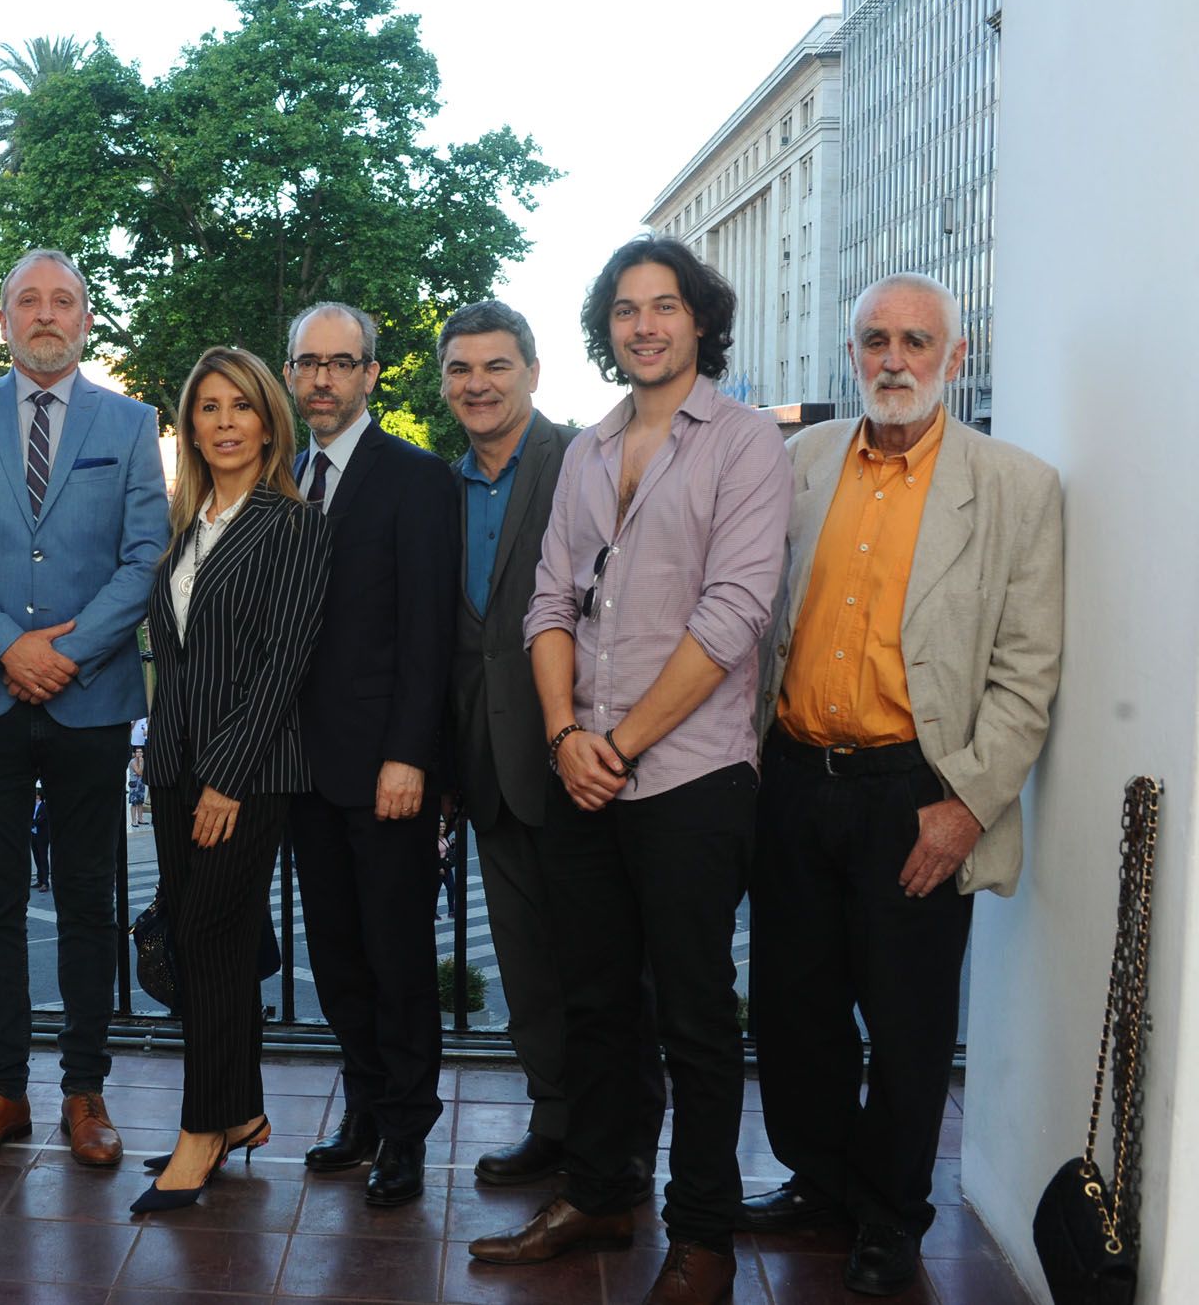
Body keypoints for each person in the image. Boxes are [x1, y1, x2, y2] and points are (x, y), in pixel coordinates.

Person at [472, 236, 789, 1305]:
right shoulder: (586, 450)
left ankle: (700, 1232)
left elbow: (733, 613)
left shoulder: (744, 442)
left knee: (694, 1016)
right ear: (603, 331)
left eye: (662, 306)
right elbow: (546, 603)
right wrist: (565, 735)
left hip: (689, 779)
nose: (643, 324)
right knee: (593, 1003)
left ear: (699, 319)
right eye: (622, 309)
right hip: (582, 772)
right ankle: (600, 1190)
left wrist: (620, 742)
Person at [739, 273, 1063, 1296]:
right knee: (790, 1008)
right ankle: (820, 1178)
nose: (892, 359)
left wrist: (966, 802)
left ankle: (888, 1210)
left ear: (952, 359)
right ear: (849, 352)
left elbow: (1026, 668)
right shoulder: (794, 465)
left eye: (914, 341)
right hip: (791, 778)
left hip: (913, 794)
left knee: (909, 1017)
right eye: (874, 339)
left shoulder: (1016, 487)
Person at [0, 248, 170, 1166]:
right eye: (30, 301)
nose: (47, 314)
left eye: (64, 300)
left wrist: (65, 652)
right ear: (6, 319)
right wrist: (7, 647)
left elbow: (147, 557)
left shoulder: (132, 424)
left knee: (94, 898)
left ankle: (85, 1091)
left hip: (91, 698)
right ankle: (3, 1091)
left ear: (87, 319)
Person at [436, 299, 670, 1193]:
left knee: (609, 970)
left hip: (581, 758)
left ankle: (626, 1141)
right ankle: (556, 1119)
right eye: (461, 368)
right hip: (488, 768)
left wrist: (596, 737)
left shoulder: (585, 459)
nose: (478, 383)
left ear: (532, 372)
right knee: (530, 967)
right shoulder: (440, 487)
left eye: (497, 365)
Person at [130, 346, 332, 1213]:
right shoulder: (185, 526)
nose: (223, 422)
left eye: (239, 406)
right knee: (205, 946)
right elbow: (176, 659)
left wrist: (226, 779)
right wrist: (155, 754)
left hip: (242, 776)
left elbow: (283, 666)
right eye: (206, 407)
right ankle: (242, 1109)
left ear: (268, 420)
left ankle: (201, 1129)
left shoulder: (293, 525)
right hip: (174, 767)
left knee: (210, 948)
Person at [286, 302, 457, 1208]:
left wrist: (410, 756)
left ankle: (406, 1132)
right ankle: (360, 1111)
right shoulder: (276, 475)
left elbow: (429, 635)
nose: (322, 378)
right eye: (307, 362)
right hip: (298, 770)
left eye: (340, 363)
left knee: (396, 960)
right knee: (337, 955)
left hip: (385, 771)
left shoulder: (418, 479)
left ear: (371, 374)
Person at [29, 786, 50, 891]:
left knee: (43, 859)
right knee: (37, 858)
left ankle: (45, 883)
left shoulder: (44, 807)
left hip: (42, 837)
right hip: (33, 836)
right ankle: (39, 880)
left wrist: (29, 823)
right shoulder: (32, 807)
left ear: (39, 795)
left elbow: (39, 820)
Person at [127, 749, 147, 828]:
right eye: (137, 752)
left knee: (140, 802)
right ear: (135, 753)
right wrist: (141, 763)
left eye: (141, 752)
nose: (139, 753)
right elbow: (139, 772)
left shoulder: (143, 760)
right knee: (134, 803)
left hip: (141, 784)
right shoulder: (133, 762)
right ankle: (133, 821)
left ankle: (140, 819)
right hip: (134, 784)